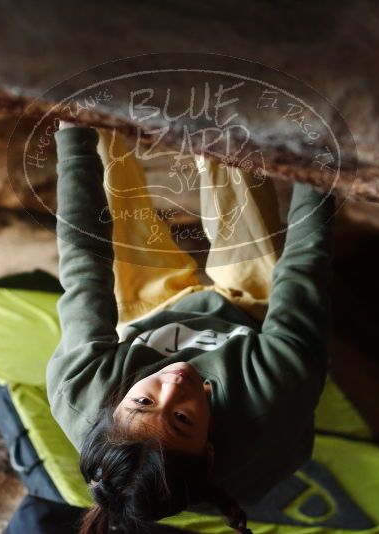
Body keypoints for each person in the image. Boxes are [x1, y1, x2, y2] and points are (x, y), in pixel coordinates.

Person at [47, 120, 334, 534]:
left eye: (143, 402)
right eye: (181, 418)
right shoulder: (274, 393)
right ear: (209, 450)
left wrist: (73, 134)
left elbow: (83, 262)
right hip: (251, 322)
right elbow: (305, 264)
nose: (175, 383)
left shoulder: (79, 388)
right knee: (233, 160)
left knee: (103, 158)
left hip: (148, 318)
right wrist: (322, 156)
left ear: (109, 407)